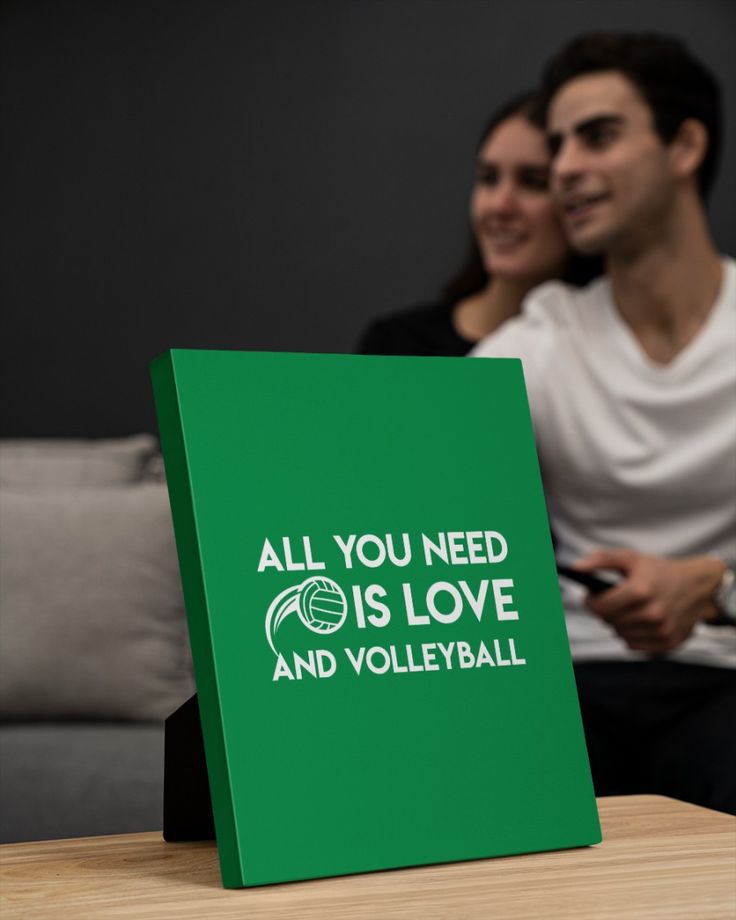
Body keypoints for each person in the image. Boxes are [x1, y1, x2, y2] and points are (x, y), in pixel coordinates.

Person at [472, 32, 735, 813]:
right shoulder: (541, 340)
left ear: (685, 145)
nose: (565, 169)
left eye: (599, 136)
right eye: (558, 145)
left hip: (725, 675)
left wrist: (715, 583)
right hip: (568, 681)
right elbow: (410, 461)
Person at [357, 92, 599, 356]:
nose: (500, 206)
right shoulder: (397, 347)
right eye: (488, 178)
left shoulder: (600, 355)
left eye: (533, 182)